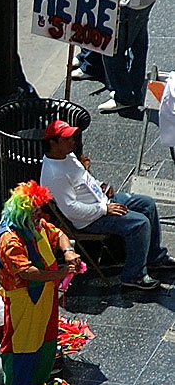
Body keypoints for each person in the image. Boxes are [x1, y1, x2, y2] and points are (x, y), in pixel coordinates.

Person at [40, 120, 175, 290]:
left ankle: (155, 257)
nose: (73, 140)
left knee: (147, 204)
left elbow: (85, 179)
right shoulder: (55, 174)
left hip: (102, 201)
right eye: (67, 139)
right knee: (139, 224)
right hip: (90, 218)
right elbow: (71, 210)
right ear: (53, 143)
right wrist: (104, 209)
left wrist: (102, 185)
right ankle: (134, 275)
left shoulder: (67, 155)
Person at [0, 180, 81, 385]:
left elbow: (58, 233)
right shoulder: (10, 241)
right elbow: (27, 272)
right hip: (24, 301)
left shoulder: (37, 226)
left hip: (46, 296)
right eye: (34, 212)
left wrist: (68, 251)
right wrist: (60, 274)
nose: (39, 216)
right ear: (22, 213)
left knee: (47, 341)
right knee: (22, 349)